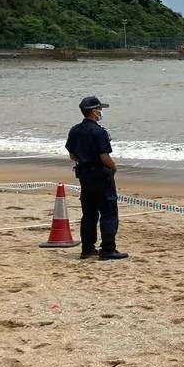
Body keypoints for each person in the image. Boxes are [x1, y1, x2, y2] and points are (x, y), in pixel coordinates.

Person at [65, 96, 128, 261]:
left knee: (89, 214)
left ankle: (87, 249)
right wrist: (114, 168)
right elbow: (104, 156)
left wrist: (84, 161)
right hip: (101, 175)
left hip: (84, 176)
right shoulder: (99, 131)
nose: (101, 112)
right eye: (99, 109)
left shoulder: (74, 130)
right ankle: (108, 249)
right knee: (109, 213)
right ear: (93, 111)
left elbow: (72, 154)